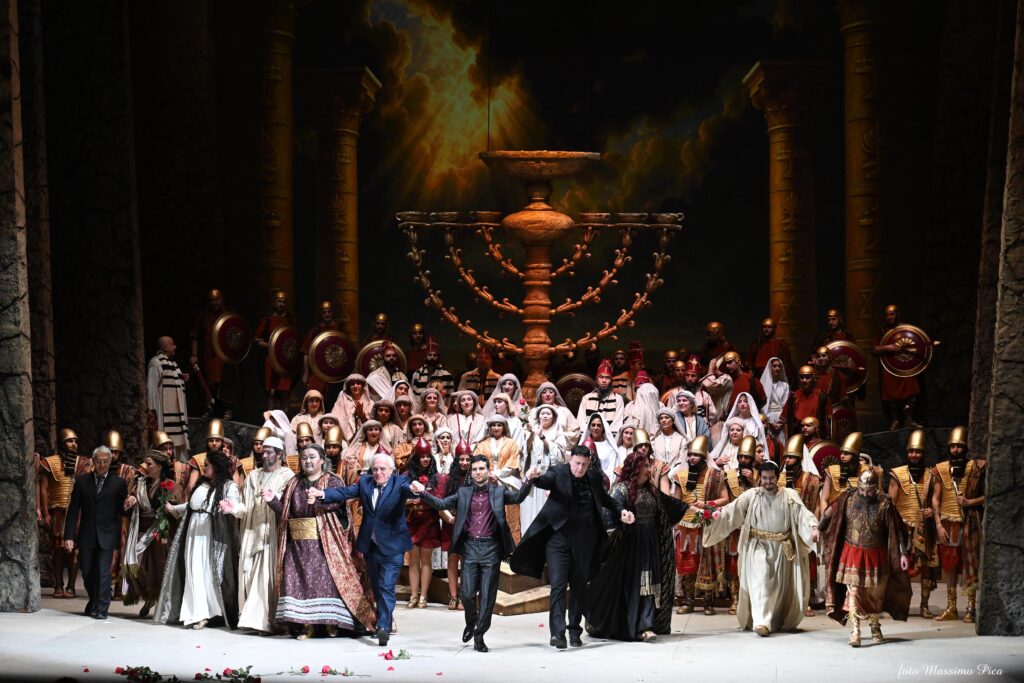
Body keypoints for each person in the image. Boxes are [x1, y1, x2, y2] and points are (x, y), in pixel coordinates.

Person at [412, 455, 535, 652]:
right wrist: (423, 493)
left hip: (491, 549)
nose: (478, 472)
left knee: (487, 597)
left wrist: (529, 479)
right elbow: (441, 504)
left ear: (488, 470)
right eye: (475, 469)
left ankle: (479, 635)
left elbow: (518, 497)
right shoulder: (463, 492)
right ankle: (471, 622)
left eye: (481, 469)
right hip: (469, 548)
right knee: (467, 594)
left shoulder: (498, 492)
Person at [510, 446, 627, 649]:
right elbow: (544, 480)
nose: (580, 468)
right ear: (570, 460)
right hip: (558, 540)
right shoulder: (558, 472)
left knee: (579, 587)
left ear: (589, 463)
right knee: (558, 585)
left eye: (584, 464)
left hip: (584, 541)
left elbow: (605, 499)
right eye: (577, 463)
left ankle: (574, 631)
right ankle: (557, 633)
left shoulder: (594, 477)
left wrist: (621, 511)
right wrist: (535, 477)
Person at [308, 453, 419, 646]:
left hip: (393, 547)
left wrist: (416, 489)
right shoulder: (365, 483)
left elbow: (410, 489)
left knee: (386, 586)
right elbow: (345, 492)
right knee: (376, 587)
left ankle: (383, 627)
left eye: (382, 469)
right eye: (375, 469)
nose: (378, 472)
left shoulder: (399, 482)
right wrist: (322, 494)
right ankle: (382, 619)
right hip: (371, 546)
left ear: (391, 470)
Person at [268, 443, 376, 639]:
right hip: (297, 545)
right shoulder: (293, 483)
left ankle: (330, 624)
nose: (307, 461)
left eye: (312, 457)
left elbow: (339, 502)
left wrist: (320, 501)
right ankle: (305, 625)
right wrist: (272, 501)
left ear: (321, 460)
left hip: (323, 542)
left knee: (326, 582)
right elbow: (286, 511)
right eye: (304, 458)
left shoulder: (332, 480)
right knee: (298, 584)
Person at [703, 460, 820, 636]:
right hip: (758, 546)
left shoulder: (789, 495)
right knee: (760, 582)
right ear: (760, 478)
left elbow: (803, 514)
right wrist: (711, 515)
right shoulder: (751, 495)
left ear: (777, 478)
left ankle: (774, 620)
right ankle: (761, 622)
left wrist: (813, 528)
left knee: (778, 588)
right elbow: (730, 511)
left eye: (771, 478)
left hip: (781, 548)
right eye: (764, 478)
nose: (768, 482)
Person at [584, 452, 687, 641]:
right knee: (632, 586)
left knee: (650, 585)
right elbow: (609, 514)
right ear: (635, 469)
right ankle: (631, 625)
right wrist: (618, 527)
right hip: (629, 546)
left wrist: (695, 510)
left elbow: (671, 505)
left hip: (650, 543)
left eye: (649, 465)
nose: (649, 470)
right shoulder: (620, 489)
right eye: (645, 466)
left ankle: (646, 626)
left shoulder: (651, 491)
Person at [820, 468, 912, 647]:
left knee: (875, 594)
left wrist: (902, 554)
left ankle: (875, 625)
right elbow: (831, 511)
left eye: (868, 490)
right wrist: (818, 527)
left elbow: (896, 530)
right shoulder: (848, 498)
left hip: (876, 555)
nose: (864, 493)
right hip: (852, 553)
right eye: (861, 489)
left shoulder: (885, 504)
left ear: (876, 487)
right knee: (853, 592)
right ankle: (855, 631)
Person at [155, 451, 241, 630]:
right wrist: (173, 509)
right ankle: (195, 613)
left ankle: (207, 613)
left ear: (216, 467)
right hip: (194, 532)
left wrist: (227, 507)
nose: (204, 468)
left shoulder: (228, 486)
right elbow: (192, 505)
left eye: (207, 465)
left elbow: (233, 506)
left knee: (207, 573)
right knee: (193, 571)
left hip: (211, 534)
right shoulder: (201, 483)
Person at [218, 436, 295, 633]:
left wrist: (275, 497)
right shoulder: (253, 476)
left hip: (272, 534)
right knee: (251, 575)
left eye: (269, 452)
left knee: (267, 577)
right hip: (252, 533)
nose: (264, 455)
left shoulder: (288, 476)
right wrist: (233, 508)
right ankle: (253, 620)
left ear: (280, 454)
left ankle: (269, 621)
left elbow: (289, 506)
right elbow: (246, 507)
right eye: (263, 451)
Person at [63, 446, 133, 619]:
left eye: (105, 461)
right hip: (86, 534)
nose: (102, 465)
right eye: (99, 461)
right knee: (87, 572)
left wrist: (128, 506)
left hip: (108, 534)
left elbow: (122, 511)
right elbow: (73, 510)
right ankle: (94, 600)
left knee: (103, 571)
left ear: (110, 462)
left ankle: (102, 608)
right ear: (93, 461)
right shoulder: (81, 481)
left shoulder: (118, 483)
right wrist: (69, 536)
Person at [930, 426, 985, 623]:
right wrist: (938, 525)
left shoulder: (977, 468)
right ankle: (951, 607)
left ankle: (971, 607)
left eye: (959, 446)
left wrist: (970, 502)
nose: (955, 450)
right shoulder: (941, 469)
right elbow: (935, 499)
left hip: (970, 522)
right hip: (948, 523)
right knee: (950, 567)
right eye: (952, 446)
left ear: (965, 448)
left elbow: (988, 495)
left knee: (971, 566)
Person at [667, 436, 727, 614]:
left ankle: (708, 602)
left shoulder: (716, 475)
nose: (692, 458)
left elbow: (725, 499)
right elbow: (676, 502)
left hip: (707, 524)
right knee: (688, 566)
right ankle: (688, 602)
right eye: (690, 454)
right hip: (685, 527)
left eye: (696, 455)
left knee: (707, 563)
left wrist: (707, 504)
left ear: (704, 456)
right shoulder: (680, 476)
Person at [122, 449, 182, 618]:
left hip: (161, 532)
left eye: (149, 464)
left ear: (160, 466)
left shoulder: (170, 485)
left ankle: (160, 601)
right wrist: (131, 501)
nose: (146, 467)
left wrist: (169, 507)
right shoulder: (141, 484)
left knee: (159, 567)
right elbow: (131, 501)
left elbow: (177, 509)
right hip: (142, 530)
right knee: (139, 566)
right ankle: (150, 597)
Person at [887, 429, 940, 618]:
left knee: (926, 567)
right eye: (911, 451)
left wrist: (932, 512)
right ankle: (899, 604)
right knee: (898, 568)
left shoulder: (931, 475)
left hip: (924, 529)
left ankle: (924, 605)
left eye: (917, 451)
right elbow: (890, 503)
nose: (914, 455)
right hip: (902, 528)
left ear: (923, 453)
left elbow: (937, 501)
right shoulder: (897, 474)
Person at [39, 428, 90, 599]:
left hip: (76, 512)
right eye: (70, 441)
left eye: (75, 441)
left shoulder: (83, 464)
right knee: (58, 550)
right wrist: (45, 512)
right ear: (62, 444)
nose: (74, 444)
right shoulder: (50, 462)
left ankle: (71, 586)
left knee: (73, 550)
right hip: (58, 512)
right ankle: (58, 585)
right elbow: (44, 488)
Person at [779, 434, 822, 614]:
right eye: (786, 457)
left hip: (804, 527)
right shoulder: (779, 479)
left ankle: (807, 599)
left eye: (791, 457)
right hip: (784, 527)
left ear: (799, 459)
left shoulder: (811, 480)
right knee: (786, 564)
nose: (788, 461)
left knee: (807, 564)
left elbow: (817, 506)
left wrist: (814, 526)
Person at [402, 438, 441, 609]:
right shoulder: (406, 476)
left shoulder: (436, 477)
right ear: (416, 458)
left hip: (429, 520)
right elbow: (398, 497)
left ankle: (424, 595)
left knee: (426, 559)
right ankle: (413, 595)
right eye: (422, 457)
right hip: (412, 521)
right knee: (413, 559)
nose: (425, 459)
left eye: (427, 456)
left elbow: (440, 498)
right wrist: (408, 501)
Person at [189, 288, 240, 419]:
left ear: (222, 300)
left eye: (216, 300)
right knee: (210, 381)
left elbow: (238, 332)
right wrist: (194, 354)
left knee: (227, 381)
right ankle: (208, 408)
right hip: (209, 355)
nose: (214, 303)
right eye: (211, 300)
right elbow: (195, 336)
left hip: (226, 355)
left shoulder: (229, 314)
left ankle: (227, 409)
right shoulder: (204, 316)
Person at [519, 406, 567, 533]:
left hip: (548, 473)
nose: (545, 416)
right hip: (533, 472)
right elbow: (525, 452)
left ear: (553, 417)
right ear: (538, 416)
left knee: (544, 507)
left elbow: (560, 454)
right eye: (542, 413)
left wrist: (542, 436)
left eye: (548, 414)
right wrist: (531, 435)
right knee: (529, 508)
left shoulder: (558, 430)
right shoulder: (532, 429)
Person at [146, 336, 190, 461]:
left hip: (177, 417)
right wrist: (152, 414)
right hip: (164, 418)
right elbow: (151, 389)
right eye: (172, 344)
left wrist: (181, 378)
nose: (175, 347)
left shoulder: (173, 364)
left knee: (178, 448)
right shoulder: (156, 363)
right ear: (165, 347)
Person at [254, 290, 296, 411]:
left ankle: (285, 419)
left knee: (285, 392)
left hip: (285, 361)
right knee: (271, 392)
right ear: (274, 303)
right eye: (279, 301)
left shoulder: (289, 319)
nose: (281, 304)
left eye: (283, 302)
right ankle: (270, 418)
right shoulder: (267, 319)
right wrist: (271, 346)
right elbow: (257, 340)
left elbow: (295, 340)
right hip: (270, 360)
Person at [820, 432, 870, 508]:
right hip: (834, 512)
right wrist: (825, 514)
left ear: (855, 455)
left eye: (846, 453)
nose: (842, 456)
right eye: (841, 453)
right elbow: (824, 499)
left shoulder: (866, 471)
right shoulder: (832, 471)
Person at [576, 360, 625, 429]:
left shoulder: (618, 399)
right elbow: (581, 421)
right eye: (601, 377)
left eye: (607, 378)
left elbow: (617, 423)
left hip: (609, 434)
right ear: (597, 380)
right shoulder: (586, 398)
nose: (604, 380)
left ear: (611, 381)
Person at [785, 365, 830, 439]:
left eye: (807, 377)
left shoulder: (822, 396)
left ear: (813, 378)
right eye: (802, 377)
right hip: (798, 435)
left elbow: (827, 419)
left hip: (817, 435)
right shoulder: (794, 396)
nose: (804, 380)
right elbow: (787, 421)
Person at [532, 381, 581, 447]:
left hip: (560, 448)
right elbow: (529, 432)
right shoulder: (534, 412)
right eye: (544, 392)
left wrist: (558, 436)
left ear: (555, 395)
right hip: (537, 448)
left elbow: (575, 432)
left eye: (551, 392)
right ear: (540, 396)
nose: (548, 394)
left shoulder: (565, 411)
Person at [330, 374, 374, 443]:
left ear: (363, 386)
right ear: (348, 387)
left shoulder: (370, 403)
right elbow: (333, 417)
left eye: (358, 383)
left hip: (362, 440)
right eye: (352, 384)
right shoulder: (342, 398)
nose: (355, 386)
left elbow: (371, 426)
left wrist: (361, 414)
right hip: (342, 438)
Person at [650, 408, 685, 489]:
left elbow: (682, 458)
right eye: (661, 418)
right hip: (657, 476)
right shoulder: (654, 440)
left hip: (675, 476)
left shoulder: (681, 439)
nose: (663, 420)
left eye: (666, 417)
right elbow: (652, 458)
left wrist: (674, 471)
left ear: (672, 420)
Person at [760, 357, 790, 448]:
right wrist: (769, 422)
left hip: (781, 418)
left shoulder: (785, 385)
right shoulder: (763, 385)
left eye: (779, 366)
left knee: (782, 443)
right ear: (770, 368)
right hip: (768, 416)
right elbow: (763, 405)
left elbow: (786, 404)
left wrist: (781, 421)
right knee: (770, 443)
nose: (777, 368)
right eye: (774, 366)